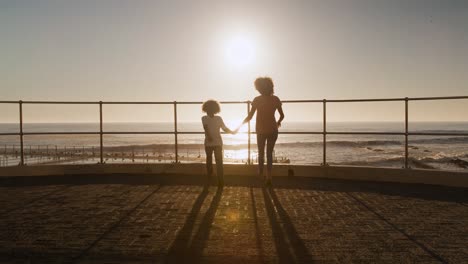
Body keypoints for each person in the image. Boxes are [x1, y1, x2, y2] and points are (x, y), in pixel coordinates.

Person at [242, 77, 284, 186]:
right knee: (269, 154)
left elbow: (250, 116)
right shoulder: (275, 99)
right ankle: (269, 177)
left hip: (260, 130)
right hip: (273, 130)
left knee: (261, 153)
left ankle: (261, 176)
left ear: (260, 87)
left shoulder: (256, 100)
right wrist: (278, 122)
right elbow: (282, 115)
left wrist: (241, 124)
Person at [202, 100, 236, 186]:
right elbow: (206, 128)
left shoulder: (218, 118)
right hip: (211, 143)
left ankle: (219, 180)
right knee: (211, 161)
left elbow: (224, 128)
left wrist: (232, 132)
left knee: (217, 161)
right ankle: (214, 178)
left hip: (216, 143)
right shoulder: (204, 118)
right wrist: (209, 137)